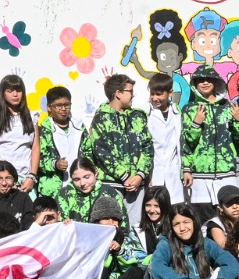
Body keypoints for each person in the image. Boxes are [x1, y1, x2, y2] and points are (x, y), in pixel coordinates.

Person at [81, 74, 153, 224]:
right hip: (111, 184)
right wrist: (125, 176)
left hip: (136, 186)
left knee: (135, 228)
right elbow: (101, 153)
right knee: (111, 227)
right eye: (130, 91)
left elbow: (148, 148)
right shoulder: (101, 118)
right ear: (118, 94)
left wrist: (140, 175)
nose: (133, 95)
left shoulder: (138, 117)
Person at [180, 66, 239, 207]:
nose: (205, 83)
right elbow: (186, 142)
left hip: (226, 173)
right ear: (194, 84)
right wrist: (196, 124)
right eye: (200, 80)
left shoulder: (228, 107)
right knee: (203, 218)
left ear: (216, 82)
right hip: (200, 174)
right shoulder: (189, 108)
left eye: (209, 79)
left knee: (231, 216)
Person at [88, 197, 148, 279]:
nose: (111, 223)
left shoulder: (127, 236)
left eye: (115, 219)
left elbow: (140, 259)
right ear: (96, 220)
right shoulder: (89, 236)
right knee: (101, 270)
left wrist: (120, 251)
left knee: (136, 271)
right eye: (106, 218)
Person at [0, 74, 37, 193]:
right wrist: (6, 179)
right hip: (3, 183)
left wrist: (32, 176)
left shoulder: (32, 116)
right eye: (10, 91)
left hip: (26, 179)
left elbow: (35, 148)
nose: (15, 94)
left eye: (18, 91)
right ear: (3, 93)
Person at [32, 86, 84, 200]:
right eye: (58, 105)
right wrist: (55, 164)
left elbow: (88, 152)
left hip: (79, 187)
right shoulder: (43, 130)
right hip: (53, 191)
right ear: (49, 107)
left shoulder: (79, 127)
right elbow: (38, 159)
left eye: (67, 105)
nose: (63, 109)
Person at [145, 74, 184, 202]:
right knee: (156, 207)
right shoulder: (146, 114)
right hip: (154, 172)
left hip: (174, 171)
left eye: (159, 94)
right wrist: (147, 174)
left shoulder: (177, 113)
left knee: (175, 207)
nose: (155, 98)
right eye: (152, 94)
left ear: (170, 93)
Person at [57, 158, 122, 223]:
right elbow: (58, 224)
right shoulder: (64, 194)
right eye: (77, 179)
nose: (82, 183)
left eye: (86, 177)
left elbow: (122, 223)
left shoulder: (108, 192)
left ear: (95, 173)